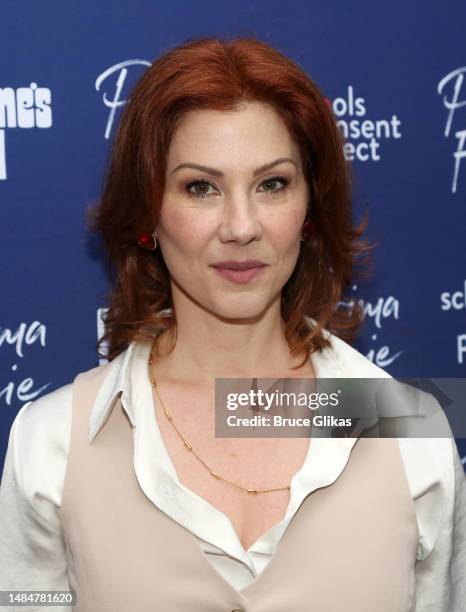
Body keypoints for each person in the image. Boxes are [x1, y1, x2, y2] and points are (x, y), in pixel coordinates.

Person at [0, 35, 465, 612]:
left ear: (308, 212)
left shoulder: (407, 428)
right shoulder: (50, 444)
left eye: (272, 184)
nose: (241, 226)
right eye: (201, 187)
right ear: (148, 213)